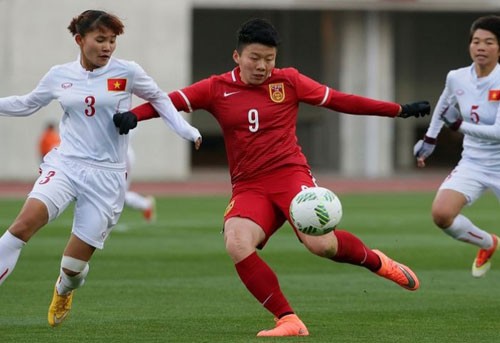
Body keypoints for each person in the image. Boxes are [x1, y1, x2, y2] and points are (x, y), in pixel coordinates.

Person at [114, 18, 430, 337]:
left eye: (269, 58)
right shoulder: (215, 88)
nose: (263, 66)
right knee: (237, 241)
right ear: (237, 57)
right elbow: (167, 103)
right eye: (255, 58)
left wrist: (398, 110)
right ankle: (288, 319)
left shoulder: (289, 81)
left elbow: (339, 100)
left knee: (321, 245)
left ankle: (377, 261)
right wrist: (133, 116)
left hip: (290, 175)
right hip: (250, 186)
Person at [0, 10, 201, 327]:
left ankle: (65, 289)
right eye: (100, 39)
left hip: (107, 177)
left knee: (72, 267)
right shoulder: (59, 75)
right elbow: (26, 104)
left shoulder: (128, 72)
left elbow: (161, 99)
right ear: (80, 40)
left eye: (112, 41)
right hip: (66, 165)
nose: (108, 47)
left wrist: (187, 131)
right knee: (21, 227)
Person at [414, 15, 500, 278]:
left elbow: (497, 133)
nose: (481, 47)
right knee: (441, 214)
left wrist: (457, 126)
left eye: (489, 42)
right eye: (476, 41)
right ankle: (488, 243)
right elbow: (444, 104)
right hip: (473, 162)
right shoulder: (457, 77)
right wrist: (429, 140)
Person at [125, 133, 156, 222]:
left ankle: (145, 204)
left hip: (122, 155)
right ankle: (145, 204)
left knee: (118, 196)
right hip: (112, 155)